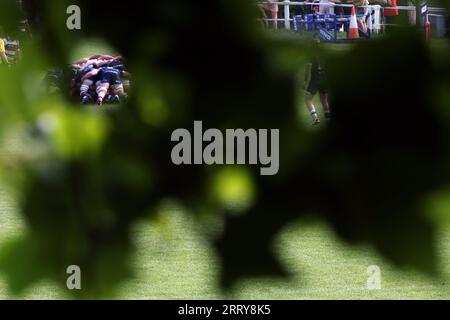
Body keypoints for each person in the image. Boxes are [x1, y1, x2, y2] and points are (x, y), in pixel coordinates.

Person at [304, 37, 331, 125]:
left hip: (315, 79)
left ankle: (315, 118)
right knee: (324, 100)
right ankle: (328, 119)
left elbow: (308, 68)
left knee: (308, 99)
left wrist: (306, 81)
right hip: (325, 78)